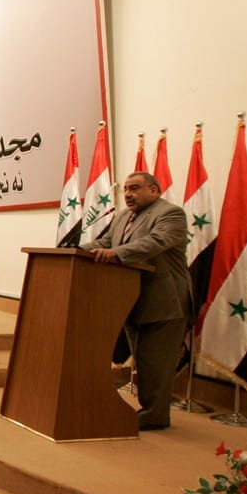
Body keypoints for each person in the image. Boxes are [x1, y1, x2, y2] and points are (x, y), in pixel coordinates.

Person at [81, 172, 192, 431]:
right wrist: (74, 250)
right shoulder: (123, 216)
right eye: (126, 190)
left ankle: (155, 416)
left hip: (165, 301)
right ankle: (149, 409)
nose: (128, 194)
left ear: (154, 190)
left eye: (134, 189)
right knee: (143, 360)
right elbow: (106, 241)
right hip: (131, 298)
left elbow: (155, 243)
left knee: (156, 363)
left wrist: (114, 254)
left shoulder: (171, 214)